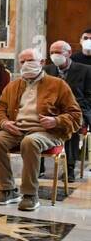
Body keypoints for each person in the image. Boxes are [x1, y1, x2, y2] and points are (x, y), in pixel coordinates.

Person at [0, 48, 82, 210]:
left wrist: (56, 120)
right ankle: (7, 189)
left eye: (30, 60)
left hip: (48, 132)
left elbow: (75, 115)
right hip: (17, 130)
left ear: (42, 62)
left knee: (30, 142)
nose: (26, 64)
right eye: (22, 62)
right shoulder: (13, 86)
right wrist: (4, 123)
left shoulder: (58, 84)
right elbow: (0, 110)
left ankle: (30, 194)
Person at [45, 40, 91, 174]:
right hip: (53, 111)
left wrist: (76, 111)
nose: (54, 55)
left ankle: (70, 167)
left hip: (77, 111)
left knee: (70, 125)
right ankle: (39, 165)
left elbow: (89, 96)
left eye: (58, 52)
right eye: (52, 53)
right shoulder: (47, 70)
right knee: (38, 123)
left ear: (69, 53)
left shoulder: (85, 70)